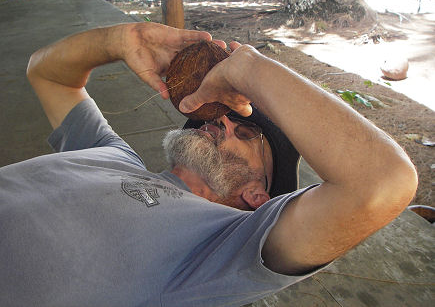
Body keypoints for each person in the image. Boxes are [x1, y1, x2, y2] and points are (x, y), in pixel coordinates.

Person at [0, 22, 417, 307]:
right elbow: (47, 74)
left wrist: (249, 68)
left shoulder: (226, 248)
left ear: (257, 195)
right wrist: (121, 39)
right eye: (221, 114)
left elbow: (382, 184)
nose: (220, 119)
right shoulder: (112, 154)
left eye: (245, 132)